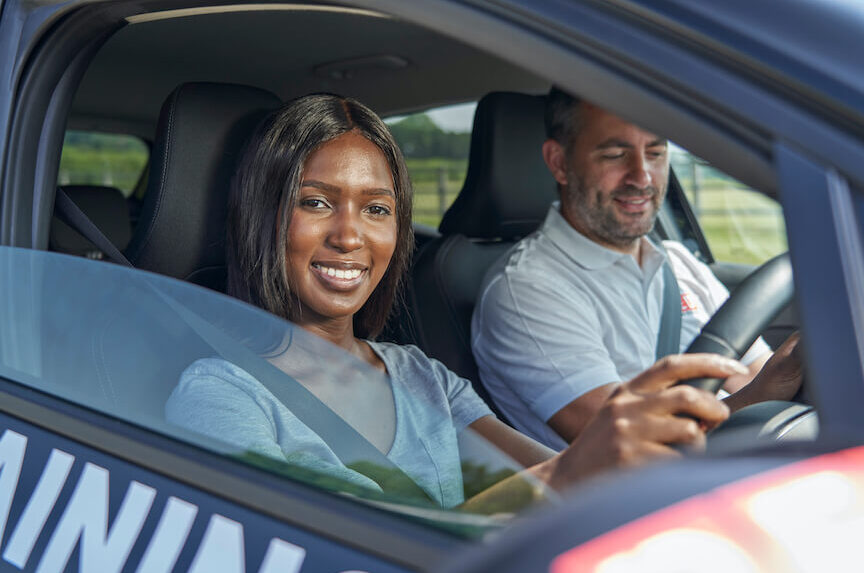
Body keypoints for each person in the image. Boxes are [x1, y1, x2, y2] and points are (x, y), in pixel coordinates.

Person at [167, 93, 743, 511]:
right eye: (316, 203)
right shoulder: (221, 396)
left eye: (376, 209)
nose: (351, 237)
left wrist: (601, 459)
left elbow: (536, 480)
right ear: (260, 216)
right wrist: (577, 467)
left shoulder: (422, 377)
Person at [471, 88, 801, 450]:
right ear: (559, 163)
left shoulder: (678, 261)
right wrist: (760, 395)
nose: (642, 177)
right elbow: (626, 445)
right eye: (615, 155)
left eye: (656, 153)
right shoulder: (527, 291)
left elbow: (755, 375)